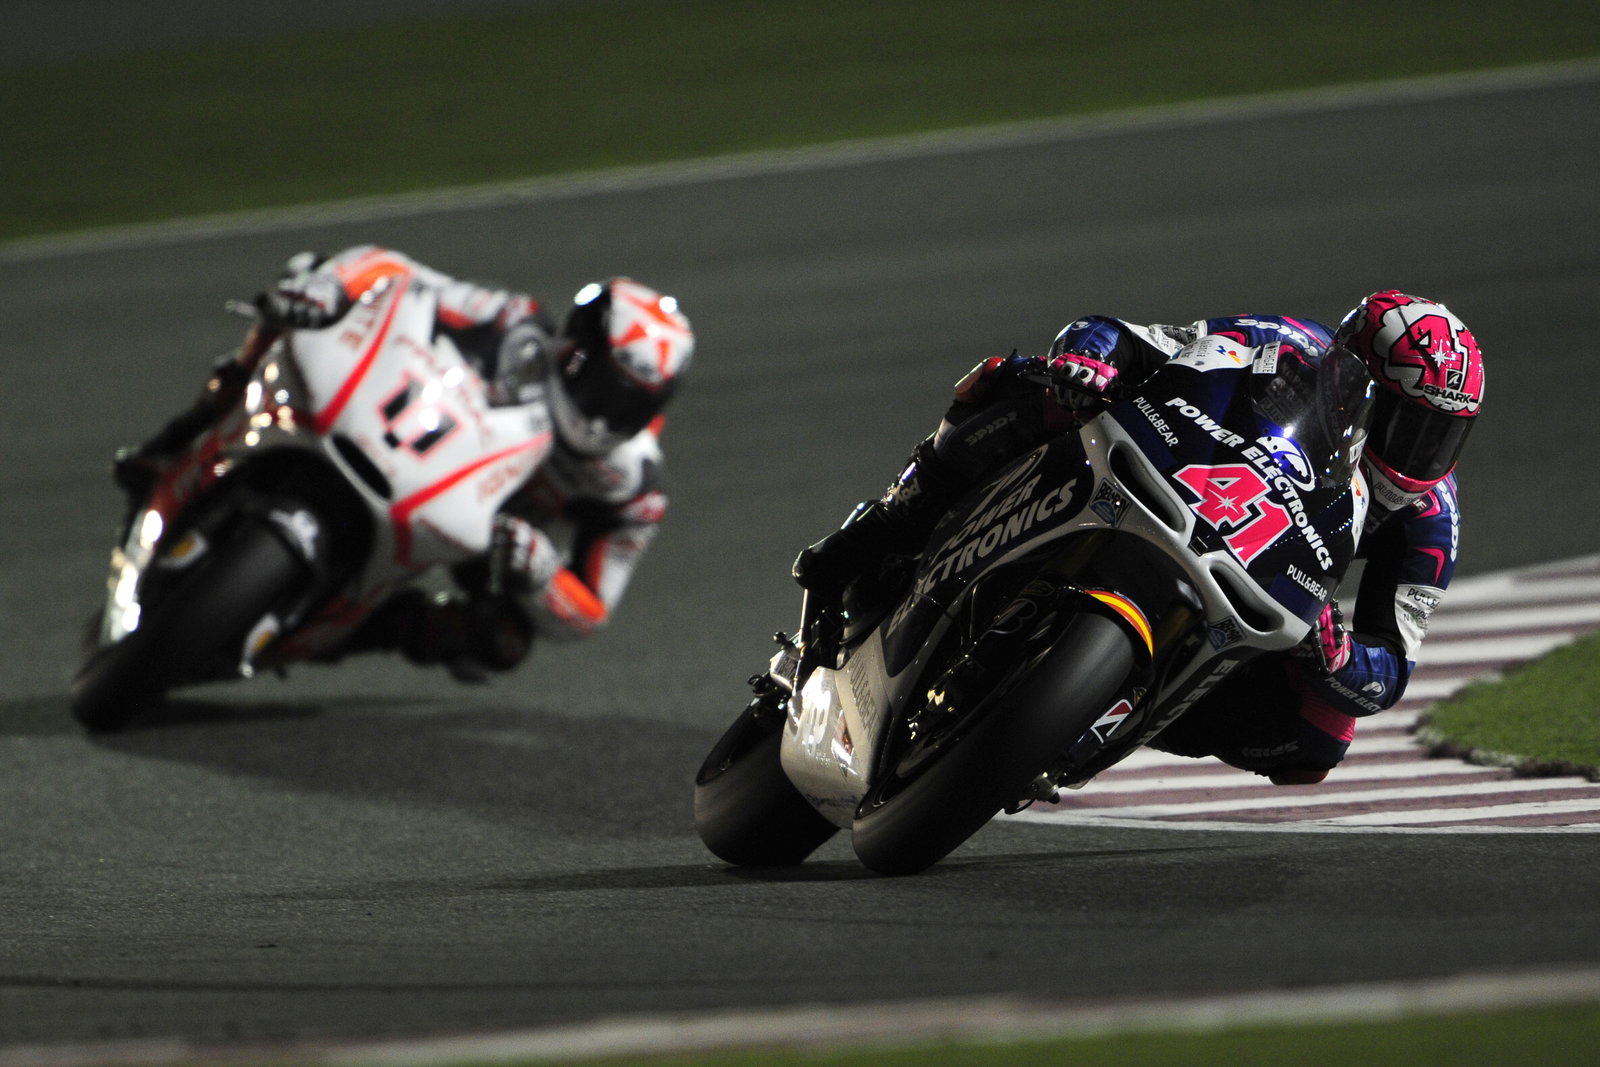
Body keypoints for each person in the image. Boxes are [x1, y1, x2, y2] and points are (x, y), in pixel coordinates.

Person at [792, 291, 1484, 785]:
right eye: (1403, 423)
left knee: (1319, 740)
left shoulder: (1430, 518)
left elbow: (1390, 665)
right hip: (1179, 470)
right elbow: (1142, 339)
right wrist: (1090, 358)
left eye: (1439, 435)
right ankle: (888, 521)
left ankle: (1106, 709)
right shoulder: (1284, 345)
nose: (1417, 453)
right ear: (1349, 377)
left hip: (1259, 567)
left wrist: (1337, 654)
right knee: (1029, 384)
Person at [115, 246, 695, 681]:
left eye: (630, 403)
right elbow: (400, 273)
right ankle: (181, 436)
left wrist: (541, 572)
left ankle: (361, 629)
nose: (605, 412)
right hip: (425, 448)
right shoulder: (513, 323)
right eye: (604, 386)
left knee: (501, 641)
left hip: (485, 538)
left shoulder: (631, 483)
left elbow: (592, 610)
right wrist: (330, 288)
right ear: (576, 348)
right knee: (297, 291)